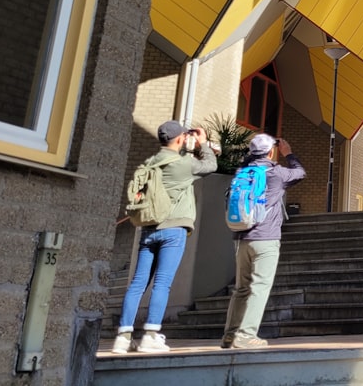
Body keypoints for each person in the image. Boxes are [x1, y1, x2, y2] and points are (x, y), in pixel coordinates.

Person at [113, 121, 219, 354]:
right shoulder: (184, 164)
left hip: (149, 228)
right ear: (181, 139)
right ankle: (150, 335)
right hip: (173, 229)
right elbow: (210, 166)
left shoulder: (150, 163)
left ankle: (123, 336)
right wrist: (203, 144)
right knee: (162, 283)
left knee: (138, 283)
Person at [221, 133, 305, 349]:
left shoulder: (241, 172)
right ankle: (246, 335)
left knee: (241, 289)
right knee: (259, 286)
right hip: (266, 238)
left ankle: (230, 335)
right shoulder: (275, 173)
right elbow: (300, 173)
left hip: (241, 238)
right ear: (271, 151)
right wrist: (289, 154)